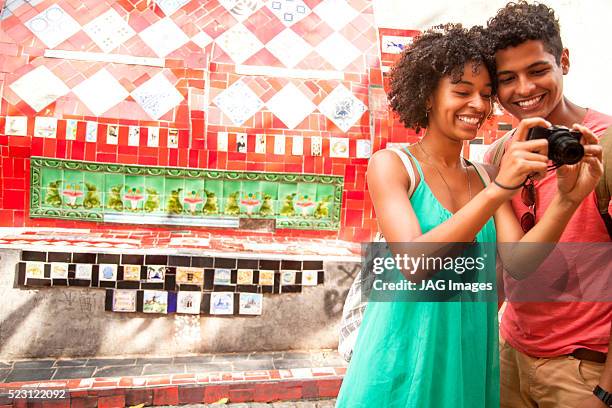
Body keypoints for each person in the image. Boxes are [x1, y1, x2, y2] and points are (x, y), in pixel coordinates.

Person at [335, 23, 603, 407]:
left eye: (486, 95)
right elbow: (413, 262)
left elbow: (519, 263)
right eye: (462, 92)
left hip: (468, 350)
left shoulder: (486, 173)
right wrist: (500, 190)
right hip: (403, 349)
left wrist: (566, 200)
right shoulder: (392, 165)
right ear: (428, 96)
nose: (477, 105)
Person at [483, 2, 612, 407]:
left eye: (537, 70)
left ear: (564, 62)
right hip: (512, 356)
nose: (523, 89)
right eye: (507, 79)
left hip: (583, 369)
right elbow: (509, 265)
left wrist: (607, 389)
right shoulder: (498, 156)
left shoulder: (604, 146)